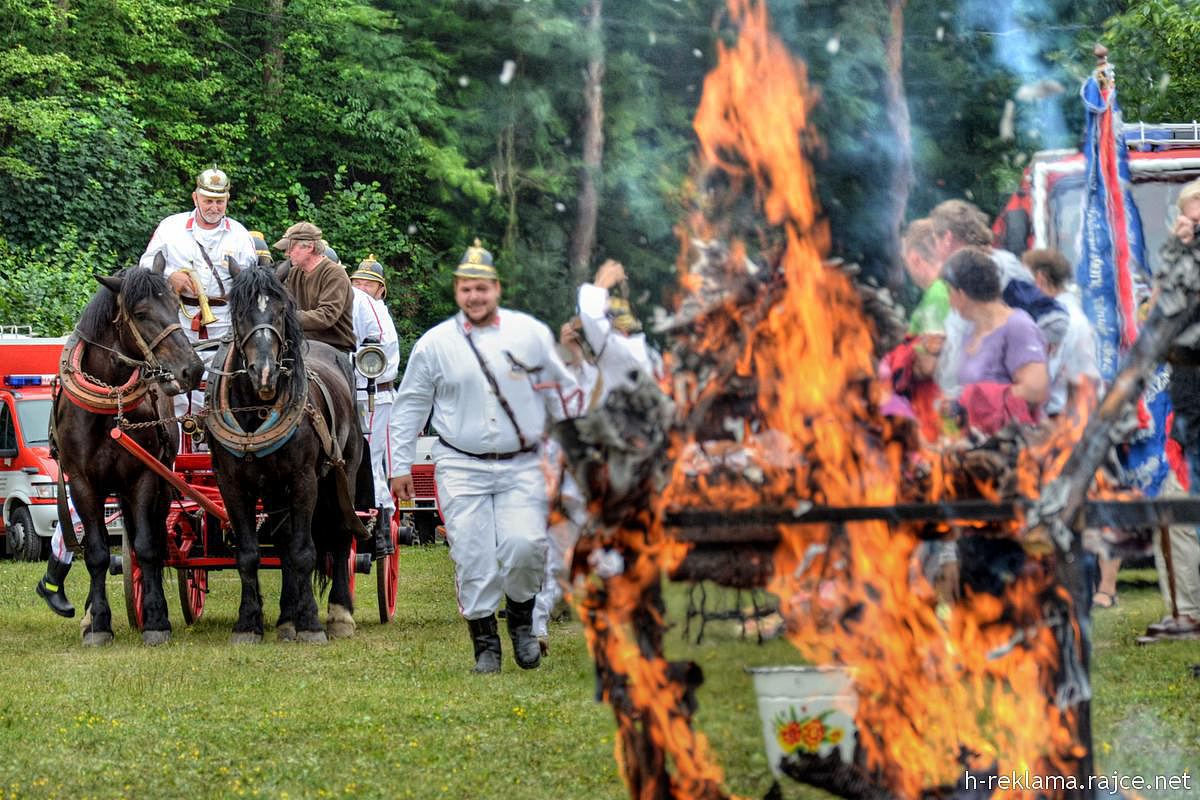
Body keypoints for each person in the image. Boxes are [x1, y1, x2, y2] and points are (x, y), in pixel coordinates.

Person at [388, 240, 580, 673]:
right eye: (466, 289)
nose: (475, 297)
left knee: (525, 545)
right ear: (457, 291)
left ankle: (522, 622)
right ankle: (485, 644)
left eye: (482, 289)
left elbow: (559, 394)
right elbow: (410, 406)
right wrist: (400, 465)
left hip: (522, 463)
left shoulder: (528, 334)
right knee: (472, 554)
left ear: (497, 289)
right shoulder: (436, 343)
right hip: (460, 462)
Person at [532, 259, 661, 653]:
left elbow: (590, 314)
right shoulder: (610, 364)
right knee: (560, 556)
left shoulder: (630, 358)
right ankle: (536, 630)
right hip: (583, 475)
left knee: (608, 557)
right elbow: (578, 388)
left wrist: (601, 283)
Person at [139, 167, 259, 343]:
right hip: (175, 322)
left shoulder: (240, 235)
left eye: (220, 202)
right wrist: (170, 276)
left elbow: (251, 282)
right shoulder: (170, 227)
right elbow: (146, 263)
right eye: (208, 201)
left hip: (226, 324)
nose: (214, 208)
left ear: (227, 200)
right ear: (195, 198)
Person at [943, 247, 1050, 434]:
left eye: (950, 293)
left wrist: (971, 398)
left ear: (961, 294)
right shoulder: (970, 332)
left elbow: (1036, 391)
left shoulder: (1018, 326)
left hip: (1011, 448)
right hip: (977, 447)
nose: (950, 302)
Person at [349, 255, 401, 558]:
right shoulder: (355, 306)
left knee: (372, 458)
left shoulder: (378, 315)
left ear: (381, 290)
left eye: (369, 282)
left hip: (374, 395)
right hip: (351, 390)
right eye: (357, 281)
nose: (361, 286)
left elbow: (377, 357)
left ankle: (381, 525)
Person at [273, 222, 355, 357]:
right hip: (300, 344)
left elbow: (326, 316)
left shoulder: (334, 273)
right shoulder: (293, 273)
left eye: (290, 248)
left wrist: (284, 316)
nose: (286, 253)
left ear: (310, 247)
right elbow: (281, 303)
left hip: (333, 348)